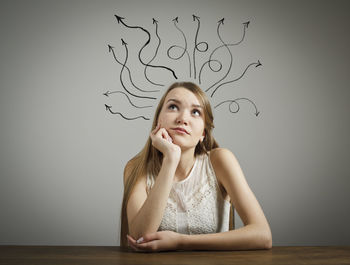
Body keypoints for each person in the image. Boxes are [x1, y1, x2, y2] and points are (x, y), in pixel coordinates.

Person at [120, 81, 272, 252]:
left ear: (203, 134)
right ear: (158, 120)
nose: (183, 119)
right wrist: (171, 158)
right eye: (173, 107)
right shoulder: (136, 168)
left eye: (195, 112)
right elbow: (140, 236)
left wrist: (181, 242)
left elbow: (262, 234)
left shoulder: (220, 161)